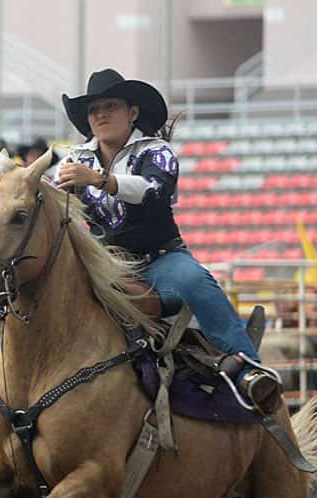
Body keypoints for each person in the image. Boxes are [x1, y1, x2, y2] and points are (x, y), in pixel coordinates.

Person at [55, 68, 280, 412]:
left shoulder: (155, 151)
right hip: (106, 265)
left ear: (132, 113)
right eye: (93, 109)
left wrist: (99, 180)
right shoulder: (72, 158)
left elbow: (153, 192)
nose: (100, 114)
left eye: (110, 105)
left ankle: (250, 371)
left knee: (195, 281)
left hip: (162, 260)